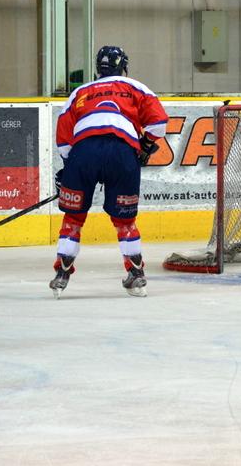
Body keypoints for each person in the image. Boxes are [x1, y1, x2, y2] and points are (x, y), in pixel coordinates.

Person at [50, 46, 169, 298]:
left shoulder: (80, 92)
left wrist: (69, 167)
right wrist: (145, 145)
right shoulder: (135, 87)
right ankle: (136, 273)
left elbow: (63, 141)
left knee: (73, 218)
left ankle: (62, 273)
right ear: (123, 66)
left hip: (84, 152)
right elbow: (158, 123)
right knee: (125, 221)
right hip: (122, 152)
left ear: (98, 67)